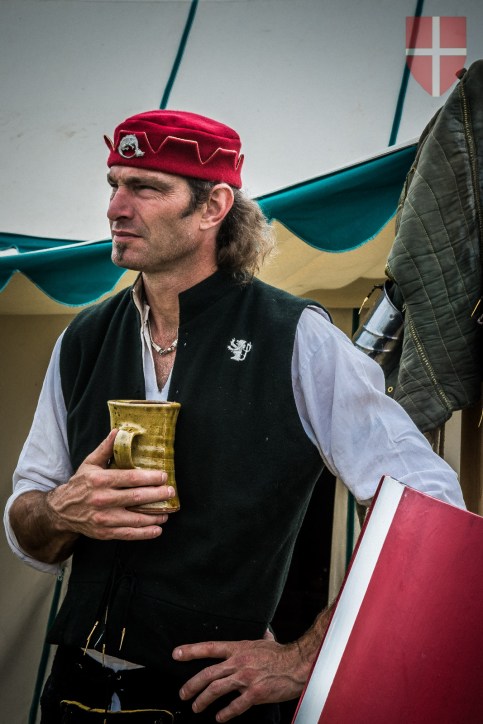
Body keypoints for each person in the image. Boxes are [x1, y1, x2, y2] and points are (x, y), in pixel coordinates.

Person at [4, 110, 465, 724]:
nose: (116, 207)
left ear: (214, 206)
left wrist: (306, 658)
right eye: (114, 184)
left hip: (210, 705)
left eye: (145, 187)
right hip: (71, 693)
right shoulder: (83, 339)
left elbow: (429, 504)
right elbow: (26, 522)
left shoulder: (295, 336)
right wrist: (61, 509)